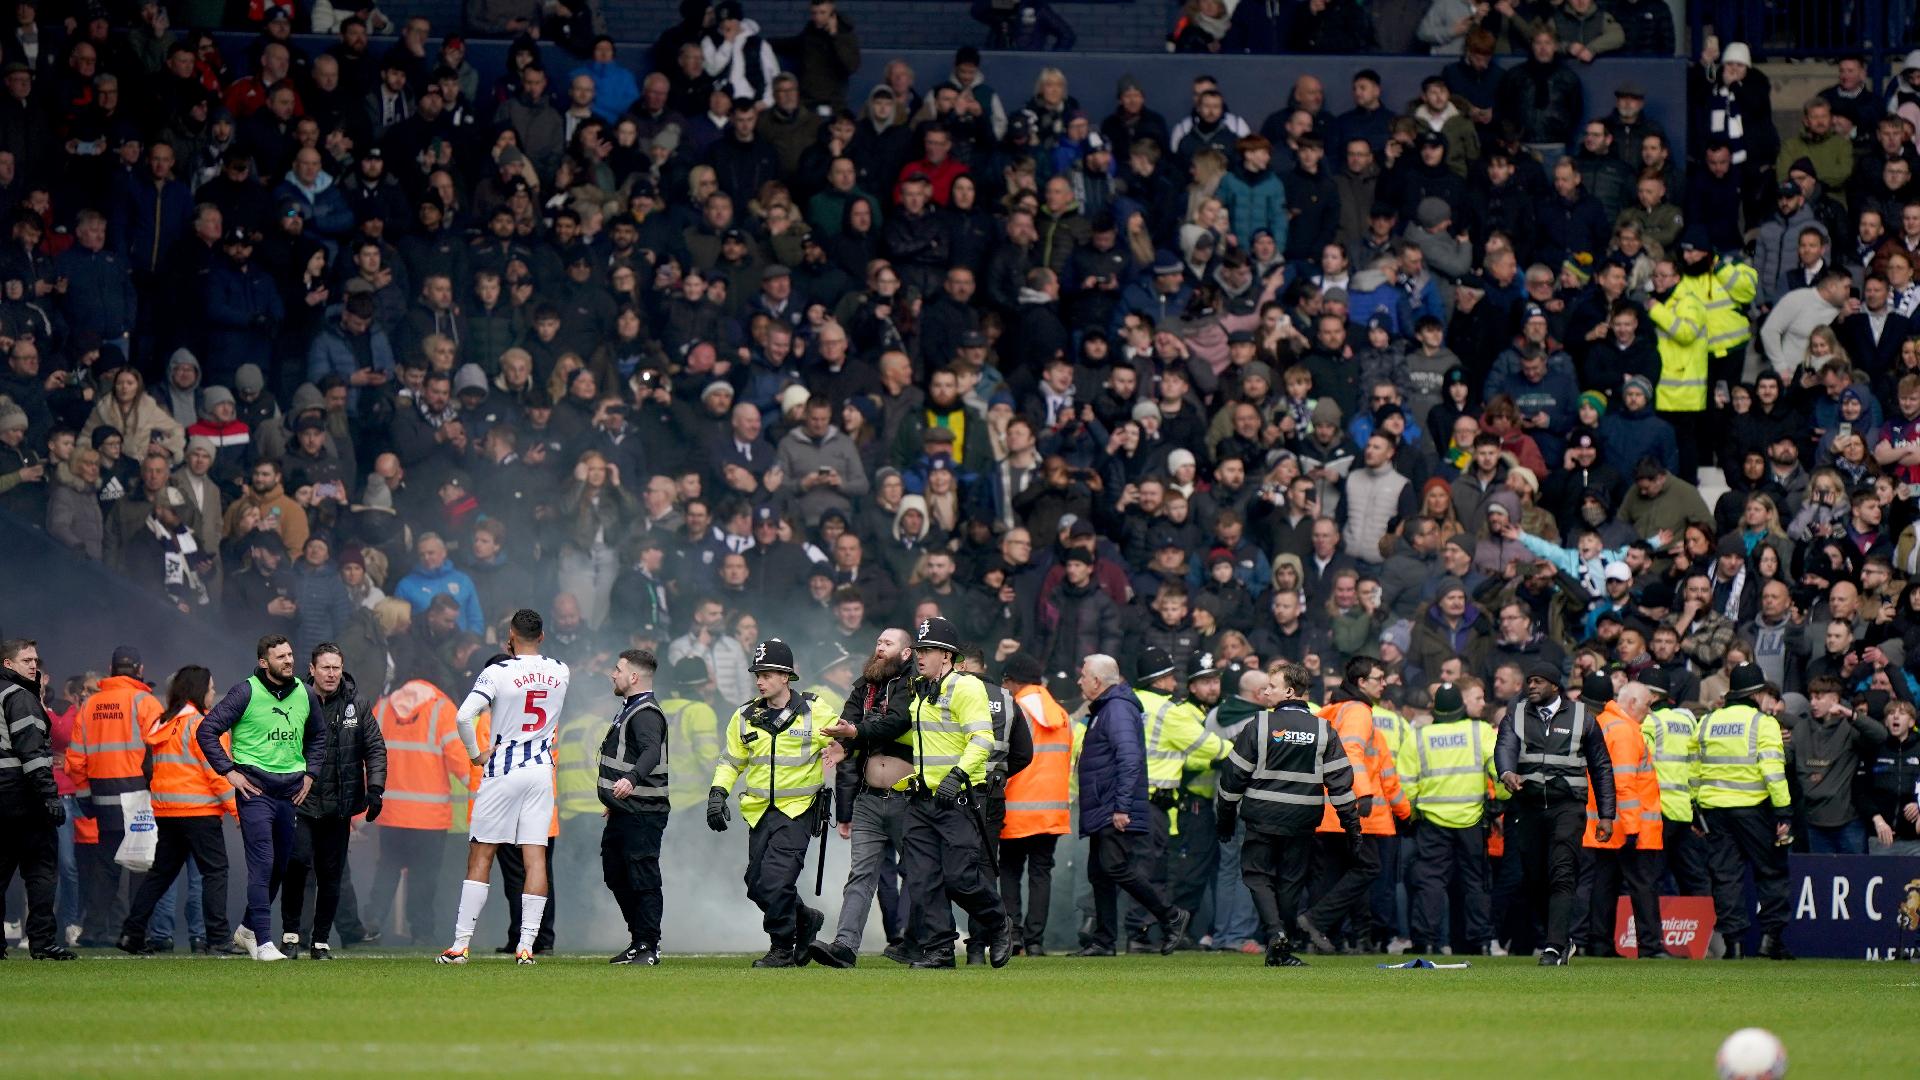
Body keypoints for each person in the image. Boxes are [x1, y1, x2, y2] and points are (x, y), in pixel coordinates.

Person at [846, 617, 1011, 968]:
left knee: (960, 878)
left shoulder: (966, 688)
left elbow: (982, 740)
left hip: (958, 797)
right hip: (921, 798)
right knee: (921, 879)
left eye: (929, 650)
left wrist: (958, 774)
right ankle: (939, 949)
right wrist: (857, 738)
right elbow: (913, 734)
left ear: (947, 656)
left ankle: (999, 923)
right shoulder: (920, 687)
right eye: (919, 650)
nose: (921, 656)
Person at [438, 609, 570, 966]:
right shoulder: (561, 670)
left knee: (481, 853)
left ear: (509, 636)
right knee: (535, 857)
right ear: (542, 636)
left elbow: (464, 716)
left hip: (503, 769)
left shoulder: (497, 671)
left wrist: (476, 755)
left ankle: (460, 946)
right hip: (541, 771)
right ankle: (526, 947)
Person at [1215, 659, 1358, 967]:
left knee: (1257, 876)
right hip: (1302, 821)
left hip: (1262, 818)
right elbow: (1341, 783)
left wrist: (1225, 816)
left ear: (1290, 692)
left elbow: (1233, 777)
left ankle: (1275, 932)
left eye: (1271, 686)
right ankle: (1283, 946)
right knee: (1291, 882)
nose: (1265, 691)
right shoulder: (1323, 730)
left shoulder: (1260, 725)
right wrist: (1353, 826)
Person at [708, 638, 837, 968]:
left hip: (799, 811)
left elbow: (845, 740)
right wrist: (717, 793)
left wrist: (842, 750)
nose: (760, 680)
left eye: (766, 674)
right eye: (757, 674)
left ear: (786, 676)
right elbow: (730, 761)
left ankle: (781, 948)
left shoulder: (815, 709)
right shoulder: (744, 716)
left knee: (777, 881)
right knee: (756, 884)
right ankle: (805, 917)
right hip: (759, 812)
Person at [196, 635, 326, 962]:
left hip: (290, 793)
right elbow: (206, 730)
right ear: (264, 662)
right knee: (263, 863)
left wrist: (310, 774)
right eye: (280, 656)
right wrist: (229, 771)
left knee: (280, 867)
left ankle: (247, 930)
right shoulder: (245, 692)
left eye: (290, 654)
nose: (288, 660)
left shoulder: (305, 693)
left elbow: (319, 736)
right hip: (255, 792)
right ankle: (265, 944)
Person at [1493, 656, 1615, 966]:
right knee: (1533, 879)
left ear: (1554, 686)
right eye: (1528, 681)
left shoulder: (1583, 718)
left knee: (1562, 872)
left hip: (1567, 806)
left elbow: (1601, 767)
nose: (1530, 686)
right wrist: (1507, 772)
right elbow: (1504, 746)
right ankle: (1562, 937)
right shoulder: (1516, 714)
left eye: (1537, 681)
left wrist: (1606, 814)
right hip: (1528, 806)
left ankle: (1554, 946)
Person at [118, 665, 243, 958]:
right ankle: (217, 939)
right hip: (199, 812)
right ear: (200, 690)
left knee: (160, 875)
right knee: (215, 872)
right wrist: (238, 811)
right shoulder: (201, 725)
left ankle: (131, 934)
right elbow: (218, 774)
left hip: (166, 812)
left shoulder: (164, 723)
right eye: (211, 688)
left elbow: (149, 769)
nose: (213, 693)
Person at [1073, 651, 1191, 957]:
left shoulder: (1117, 710)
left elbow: (1130, 760)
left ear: (1097, 681)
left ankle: (1171, 916)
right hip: (1104, 805)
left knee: (1115, 867)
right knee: (1099, 872)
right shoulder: (1107, 708)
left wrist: (1122, 807)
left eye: (1083, 675)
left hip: (1113, 806)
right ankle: (1104, 941)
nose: (1079, 681)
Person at [814, 627, 916, 967]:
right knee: (861, 874)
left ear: (905, 653)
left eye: (888, 643)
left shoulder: (914, 685)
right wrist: (844, 745)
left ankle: (918, 941)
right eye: (878, 642)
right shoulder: (864, 686)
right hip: (869, 799)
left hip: (909, 799)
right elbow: (848, 720)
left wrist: (855, 733)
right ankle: (844, 946)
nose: (880, 647)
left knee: (918, 872)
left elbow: (897, 723)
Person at [280, 643, 385, 960]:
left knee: (331, 873)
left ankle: (321, 941)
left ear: (342, 669)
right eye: (324, 667)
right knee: (297, 866)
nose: (331, 674)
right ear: (311, 670)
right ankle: (291, 936)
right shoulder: (293, 701)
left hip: (340, 804)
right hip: (301, 800)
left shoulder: (357, 703)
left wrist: (376, 789)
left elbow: (375, 748)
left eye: (336, 668)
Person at [1125, 645, 1226, 950]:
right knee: (1158, 871)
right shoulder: (1173, 712)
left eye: (1215, 679)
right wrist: (1248, 752)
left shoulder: (1130, 701)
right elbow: (1204, 751)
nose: (1174, 682)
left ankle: (1124, 929)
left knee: (1122, 867)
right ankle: (1154, 930)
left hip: (1133, 797)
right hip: (1168, 803)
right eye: (1171, 676)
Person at [1693, 662, 1794, 959]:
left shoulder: (1708, 722)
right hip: (1754, 810)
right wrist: (1784, 812)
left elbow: (1695, 771)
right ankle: (1770, 941)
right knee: (1772, 873)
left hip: (1715, 812)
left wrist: (1696, 808)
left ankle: (1733, 945)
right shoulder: (1763, 723)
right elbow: (1773, 771)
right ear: (1757, 694)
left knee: (1726, 877)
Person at [68, 645, 164, 949]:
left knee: (105, 869)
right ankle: (133, 933)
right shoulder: (145, 703)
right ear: (139, 670)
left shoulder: (90, 704)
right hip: (138, 798)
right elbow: (160, 753)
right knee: (140, 866)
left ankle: (93, 932)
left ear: (111, 670)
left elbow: (76, 760)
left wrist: (85, 798)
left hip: (103, 798)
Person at [1401, 680, 1498, 956]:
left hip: (1432, 822)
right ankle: (1480, 942)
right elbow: (1499, 768)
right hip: (1472, 820)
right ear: (1461, 706)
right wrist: (1500, 801)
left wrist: (1414, 814)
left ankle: (1425, 941)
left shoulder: (1418, 737)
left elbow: (1406, 786)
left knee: (1430, 881)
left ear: (1435, 710)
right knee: (1475, 881)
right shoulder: (1480, 731)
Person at [1579, 676, 1667, 959]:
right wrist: (1631, 827)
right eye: (1647, 705)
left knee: (1605, 886)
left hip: (1602, 824)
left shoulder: (1605, 724)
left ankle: (1600, 944)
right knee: (1642, 886)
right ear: (1630, 703)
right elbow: (1624, 784)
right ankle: (1651, 947)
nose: (1649, 712)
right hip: (1626, 826)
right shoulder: (1625, 731)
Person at [0, 638, 75, 960]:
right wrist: (49, 796)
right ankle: (43, 943)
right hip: (24, 797)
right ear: (8, 664)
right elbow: (31, 753)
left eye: (35, 660)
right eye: (26, 660)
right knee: (42, 871)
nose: (34, 665)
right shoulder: (20, 697)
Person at [957, 642, 1031, 963]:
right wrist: (999, 774)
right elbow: (1024, 754)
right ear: (985, 667)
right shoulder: (1007, 699)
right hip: (992, 793)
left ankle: (939, 943)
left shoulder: (951, 694)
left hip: (955, 789)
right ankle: (978, 947)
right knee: (985, 868)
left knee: (953, 866)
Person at [997, 651, 1071, 957]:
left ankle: (1013, 935)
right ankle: (1036, 940)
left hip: (1017, 808)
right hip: (1052, 810)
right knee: (1041, 874)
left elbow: (1004, 753)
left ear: (1013, 682)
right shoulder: (1061, 714)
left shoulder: (1016, 709)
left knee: (1011, 871)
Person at [600, 649, 670, 966]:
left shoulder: (645, 713)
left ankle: (648, 945)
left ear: (633, 677)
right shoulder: (630, 709)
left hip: (643, 811)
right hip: (624, 809)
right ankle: (638, 940)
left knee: (642, 874)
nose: (612, 674)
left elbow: (651, 752)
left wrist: (630, 779)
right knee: (616, 873)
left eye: (617, 669)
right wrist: (613, 799)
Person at [1637, 669, 1709, 896]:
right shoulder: (1686, 719)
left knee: (1648, 877)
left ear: (1653, 697)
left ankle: (1648, 930)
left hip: (1657, 811)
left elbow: (1638, 765)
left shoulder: (1648, 723)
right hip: (1684, 810)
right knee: (1694, 877)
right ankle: (1706, 927)